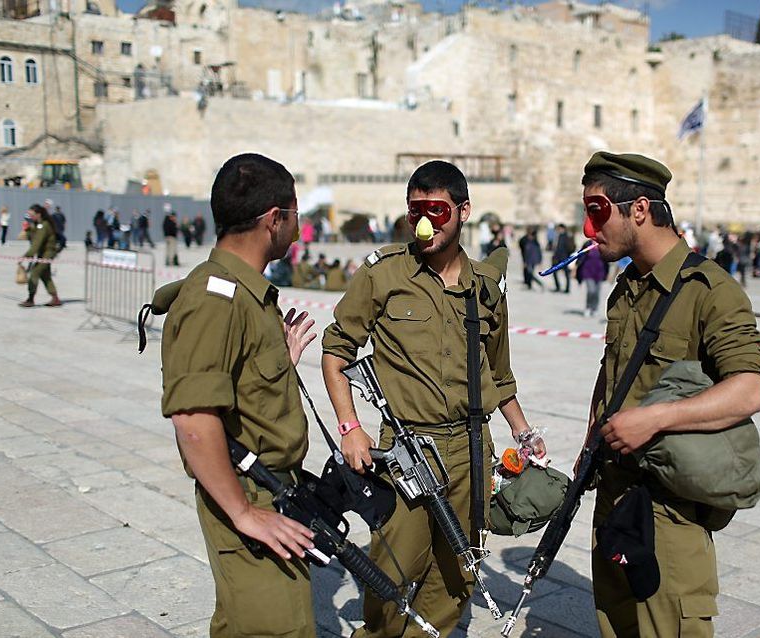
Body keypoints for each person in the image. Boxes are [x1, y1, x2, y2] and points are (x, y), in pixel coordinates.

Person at [320, 160, 542, 638]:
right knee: (392, 569)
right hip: (408, 451)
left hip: (472, 451)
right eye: (415, 211)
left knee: (458, 572)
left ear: (463, 212)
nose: (425, 223)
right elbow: (337, 350)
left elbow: (498, 374)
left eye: (437, 210)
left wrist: (523, 432)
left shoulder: (484, 287)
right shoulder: (385, 274)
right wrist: (349, 428)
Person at [579, 152, 760, 637]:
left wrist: (655, 419)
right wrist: (589, 441)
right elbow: (613, 372)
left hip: (670, 506)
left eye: (598, 210)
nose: (587, 227)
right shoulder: (628, 287)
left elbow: (749, 389)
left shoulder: (712, 290)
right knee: (616, 624)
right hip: (616, 495)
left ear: (638, 209)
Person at [158, 153, 318, 637]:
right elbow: (192, 418)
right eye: (294, 215)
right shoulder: (214, 298)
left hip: (274, 490)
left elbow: (236, 388)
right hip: (250, 495)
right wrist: (245, 514)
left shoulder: (244, 292)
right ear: (274, 220)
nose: (296, 225)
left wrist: (277, 367)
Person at [18, 204, 61, 308]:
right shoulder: (37, 224)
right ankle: (55, 298)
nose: (29, 217)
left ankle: (30, 299)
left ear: (38, 214)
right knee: (45, 275)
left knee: (34, 273)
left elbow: (37, 242)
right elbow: (32, 238)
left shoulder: (44, 225)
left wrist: (26, 255)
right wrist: (27, 229)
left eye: (31, 215)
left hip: (48, 253)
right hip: (43, 253)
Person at [576, 238, 608, 317]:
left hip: (599, 272)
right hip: (588, 271)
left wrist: (608, 273)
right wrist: (576, 267)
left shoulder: (602, 243)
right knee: (591, 290)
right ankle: (588, 307)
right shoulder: (588, 244)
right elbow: (581, 255)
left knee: (597, 292)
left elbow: (607, 259)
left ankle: (594, 308)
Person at [551, 223, 576, 293]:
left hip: (564, 258)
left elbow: (570, 248)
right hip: (558, 258)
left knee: (566, 274)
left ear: (563, 229)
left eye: (559, 229)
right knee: (555, 272)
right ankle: (558, 287)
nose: (558, 230)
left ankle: (567, 288)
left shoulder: (567, 236)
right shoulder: (559, 236)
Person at [519, 226, 544, 290]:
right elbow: (523, 250)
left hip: (531, 261)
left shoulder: (535, 243)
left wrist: (540, 261)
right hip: (528, 260)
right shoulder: (525, 240)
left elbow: (538, 252)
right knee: (528, 273)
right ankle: (529, 285)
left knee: (530, 273)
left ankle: (539, 283)